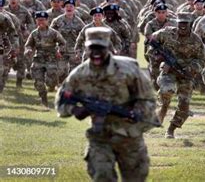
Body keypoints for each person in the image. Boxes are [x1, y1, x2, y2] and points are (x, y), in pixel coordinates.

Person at [55, 27, 157, 182]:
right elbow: (61, 101)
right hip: (99, 136)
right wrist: (75, 109)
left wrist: (134, 113)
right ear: (86, 48)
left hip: (129, 135)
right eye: (92, 48)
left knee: (136, 178)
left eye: (100, 48)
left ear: (108, 47)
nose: (96, 53)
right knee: (102, 176)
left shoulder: (129, 69)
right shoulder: (79, 74)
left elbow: (148, 99)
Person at [148, 12, 205, 138]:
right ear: (177, 23)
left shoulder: (196, 40)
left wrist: (190, 68)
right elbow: (151, 42)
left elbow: (202, 59)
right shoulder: (167, 33)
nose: (183, 26)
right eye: (181, 23)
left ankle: (171, 129)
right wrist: (158, 58)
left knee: (184, 106)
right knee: (167, 90)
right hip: (168, 72)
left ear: (190, 24)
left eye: (185, 23)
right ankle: (164, 106)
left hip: (186, 74)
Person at [24, 11, 66, 107]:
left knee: (52, 81)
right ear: (36, 21)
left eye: (43, 20)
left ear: (47, 20)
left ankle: (52, 86)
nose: (40, 22)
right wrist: (29, 50)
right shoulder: (34, 33)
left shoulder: (54, 33)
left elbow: (62, 43)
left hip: (51, 59)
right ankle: (44, 99)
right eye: (38, 20)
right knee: (38, 82)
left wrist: (60, 51)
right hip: (38, 59)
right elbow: (28, 45)